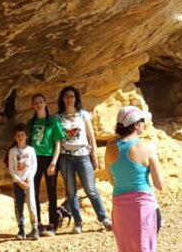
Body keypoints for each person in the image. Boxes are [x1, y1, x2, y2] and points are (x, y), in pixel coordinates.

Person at [106, 106, 165, 252]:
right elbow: (160, 185)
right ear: (136, 124)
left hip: (121, 209)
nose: (144, 125)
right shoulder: (147, 147)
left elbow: (112, 179)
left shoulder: (110, 148)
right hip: (144, 209)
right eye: (142, 121)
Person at [55, 85, 112, 232]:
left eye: (72, 96)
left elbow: (90, 136)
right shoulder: (58, 118)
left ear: (76, 99)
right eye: (66, 96)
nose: (69, 99)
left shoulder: (83, 115)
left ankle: (104, 218)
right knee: (71, 191)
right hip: (65, 157)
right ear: (62, 99)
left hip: (83, 156)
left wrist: (94, 156)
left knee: (91, 189)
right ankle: (78, 223)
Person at [27, 93, 66, 236]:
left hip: (49, 159)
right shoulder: (31, 123)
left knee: (52, 192)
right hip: (34, 160)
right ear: (33, 105)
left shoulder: (53, 121)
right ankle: (37, 224)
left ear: (45, 103)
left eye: (40, 102)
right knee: (34, 192)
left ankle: (52, 224)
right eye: (35, 102)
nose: (38, 104)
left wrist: (54, 163)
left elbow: (58, 144)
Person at [7, 124, 42, 240]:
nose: (20, 137)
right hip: (18, 182)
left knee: (32, 204)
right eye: (18, 135)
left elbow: (34, 166)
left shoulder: (31, 150)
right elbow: (11, 168)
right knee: (19, 206)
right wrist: (18, 180)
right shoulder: (12, 151)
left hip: (29, 181)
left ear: (26, 136)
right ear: (15, 137)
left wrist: (29, 178)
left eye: (22, 135)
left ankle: (35, 228)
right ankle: (21, 229)